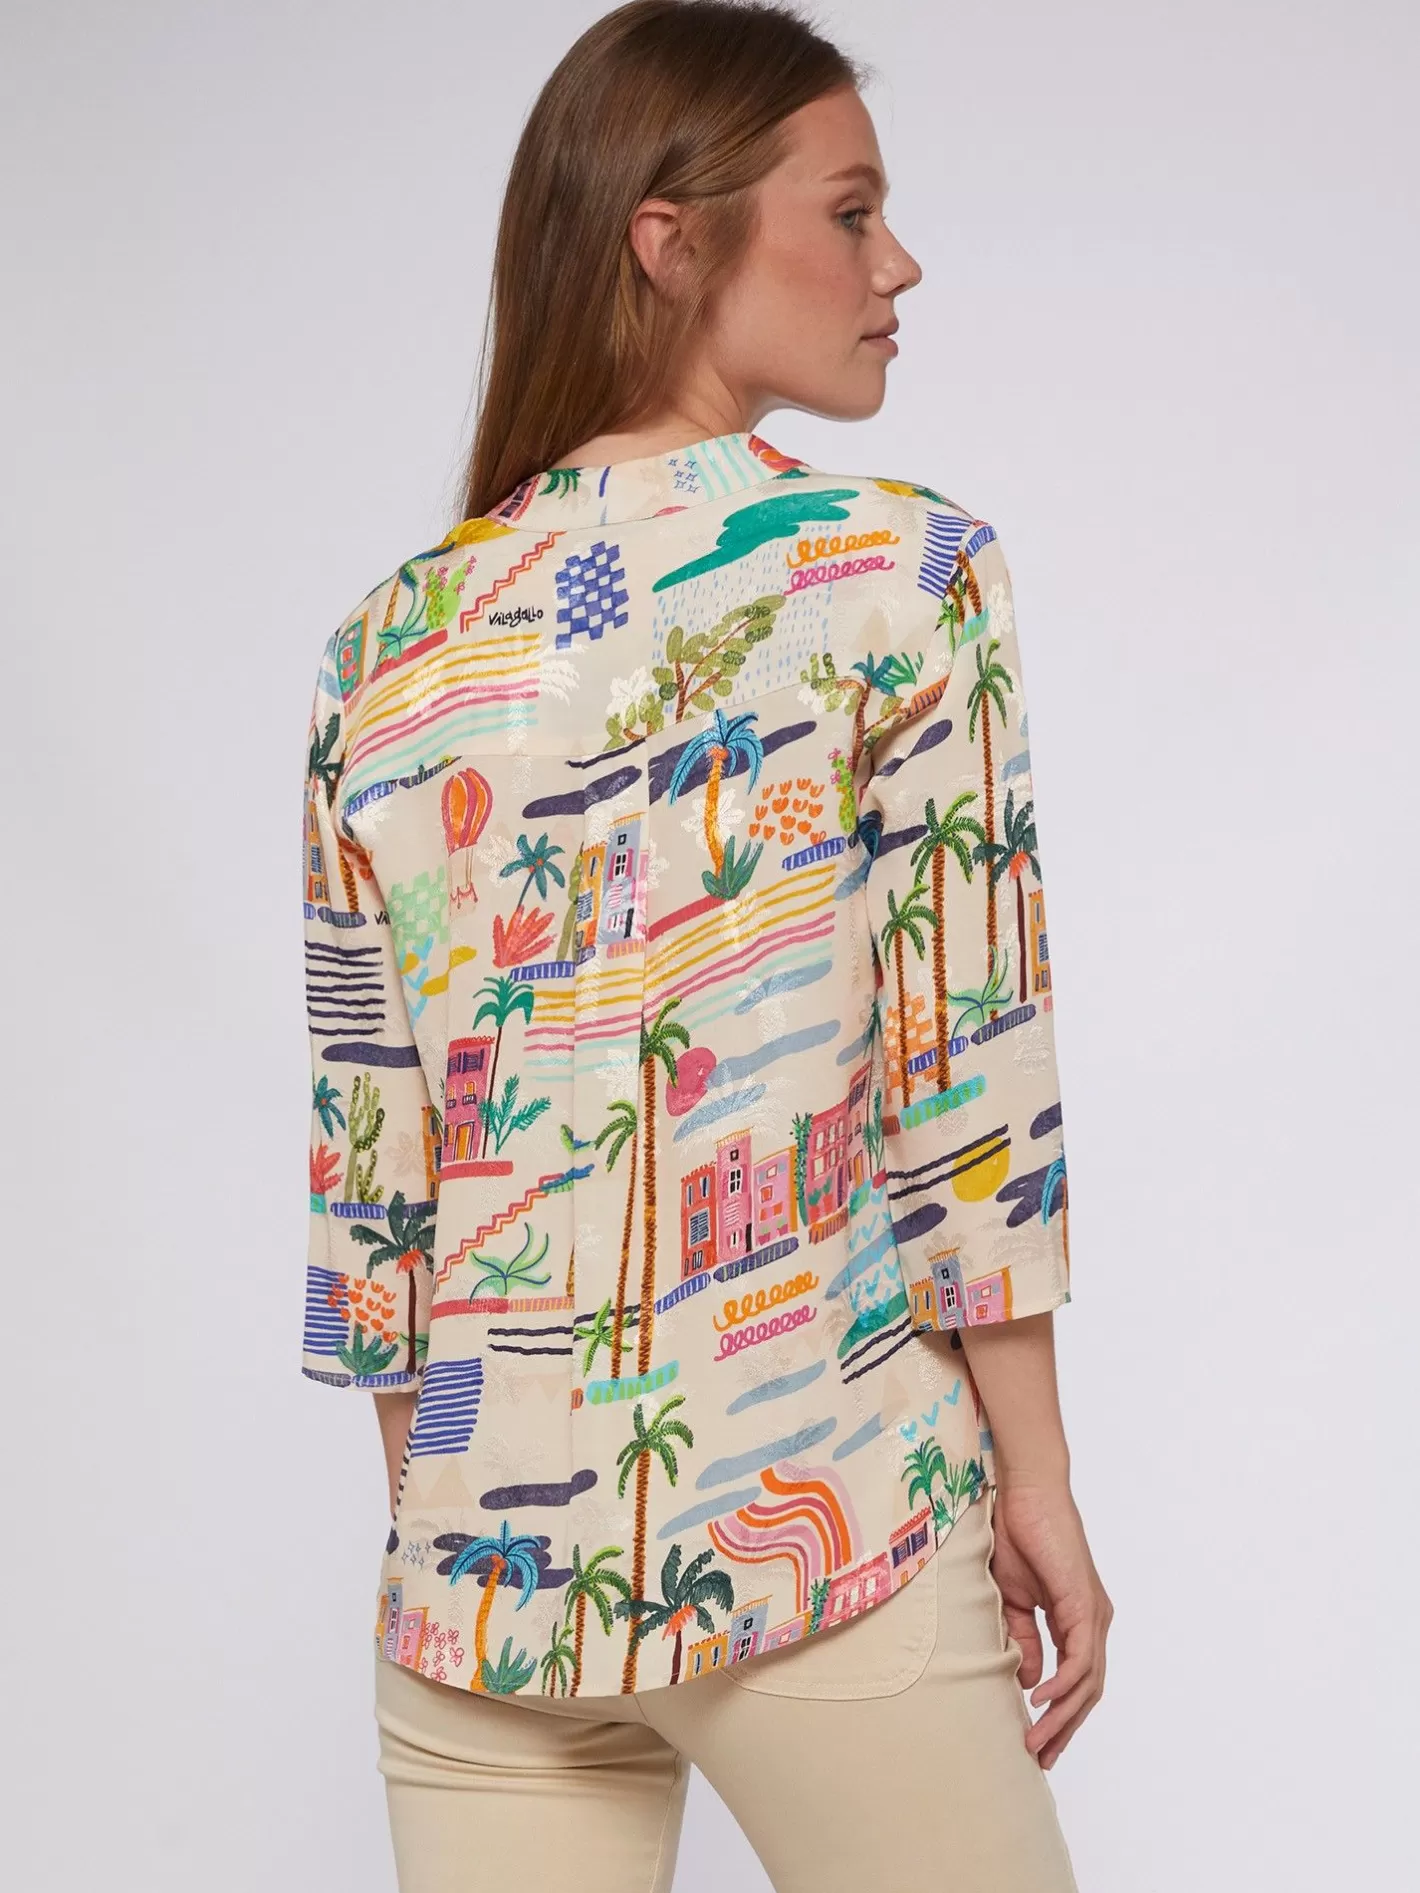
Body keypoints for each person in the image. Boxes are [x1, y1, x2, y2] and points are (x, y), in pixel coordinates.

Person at [297, 3, 1111, 1888]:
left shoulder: (384, 650)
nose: (899, 265)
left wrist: (454, 1545)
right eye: (852, 212)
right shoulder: (901, 572)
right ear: (669, 242)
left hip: (477, 1595)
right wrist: (1042, 1485)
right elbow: (967, 1087)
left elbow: (373, 1180)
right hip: (818, 1536)